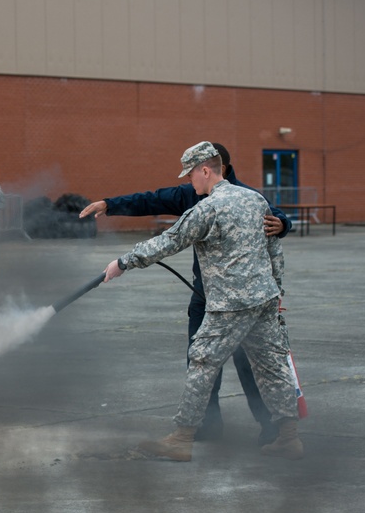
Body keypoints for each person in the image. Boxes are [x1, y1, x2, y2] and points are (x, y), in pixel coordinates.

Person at [102, 141, 304, 462]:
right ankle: (288, 438)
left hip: (230, 303)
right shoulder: (255, 200)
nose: (190, 182)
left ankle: (181, 439)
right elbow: (274, 250)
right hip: (264, 298)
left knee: (201, 361)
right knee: (272, 365)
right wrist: (277, 293)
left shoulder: (209, 208)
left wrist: (123, 262)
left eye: (191, 175)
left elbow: (170, 241)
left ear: (205, 170)